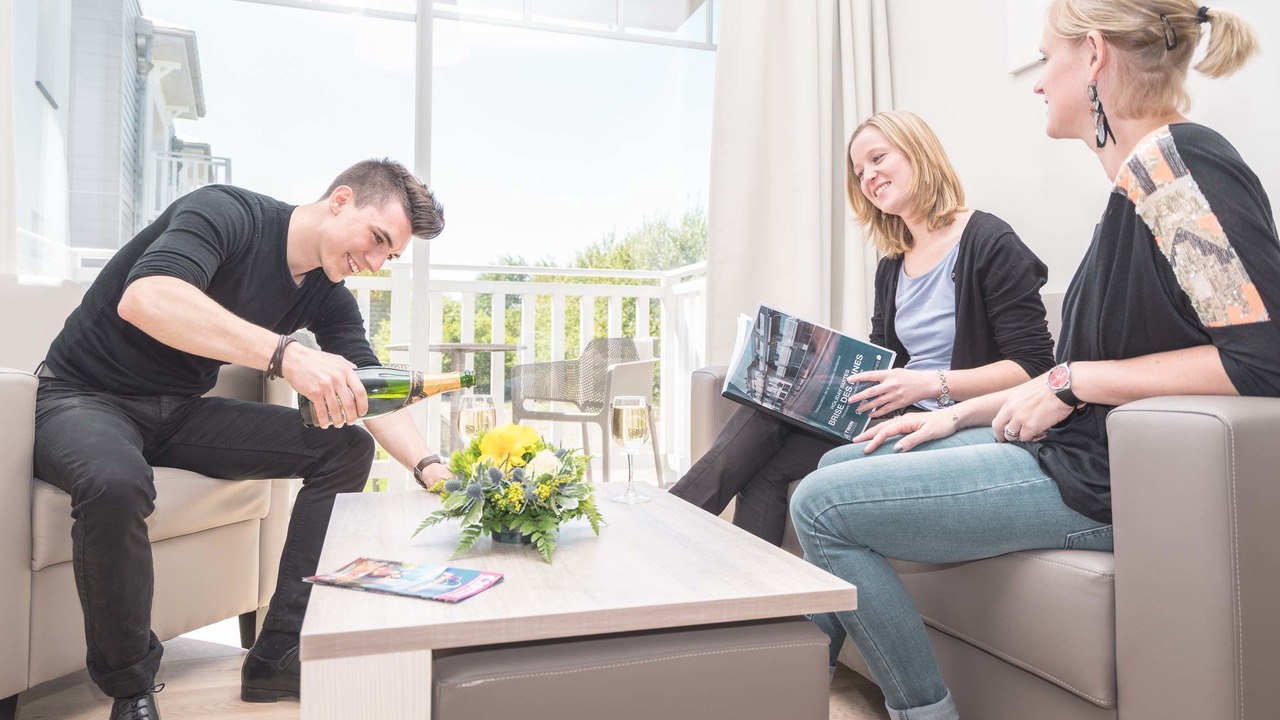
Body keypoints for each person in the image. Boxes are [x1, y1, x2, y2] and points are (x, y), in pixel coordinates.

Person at [790, 3, 1280, 718]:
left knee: (821, 506)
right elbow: (1069, 372)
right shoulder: (1137, 188)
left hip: (1101, 484)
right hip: (1065, 453)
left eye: (1047, 57)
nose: (1037, 81)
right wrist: (953, 413)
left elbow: (1261, 359)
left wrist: (1075, 380)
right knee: (838, 466)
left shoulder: (1178, 167)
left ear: (1093, 57)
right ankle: (775, 679)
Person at [32, 159, 458, 720]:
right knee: (115, 480)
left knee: (344, 448)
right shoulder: (228, 214)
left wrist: (431, 467)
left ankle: (278, 653)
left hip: (179, 414)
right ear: (341, 200)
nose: (376, 264)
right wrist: (286, 354)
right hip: (82, 397)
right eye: (377, 240)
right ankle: (130, 688)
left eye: (390, 256)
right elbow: (147, 298)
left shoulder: (328, 294)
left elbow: (369, 391)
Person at [668, 110, 1055, 546]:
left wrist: (927, 384)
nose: (868, 176)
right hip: (897, 410)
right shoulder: (893, 263)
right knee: (770, 412)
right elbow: (884, 355)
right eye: (859, 171)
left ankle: (670, 524)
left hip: (952, 421)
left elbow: (1034, 368)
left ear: (917, 152)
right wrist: (815, 372)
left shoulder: (989, 241)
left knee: (768, 452)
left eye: (877, 158)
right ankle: (743, 599)